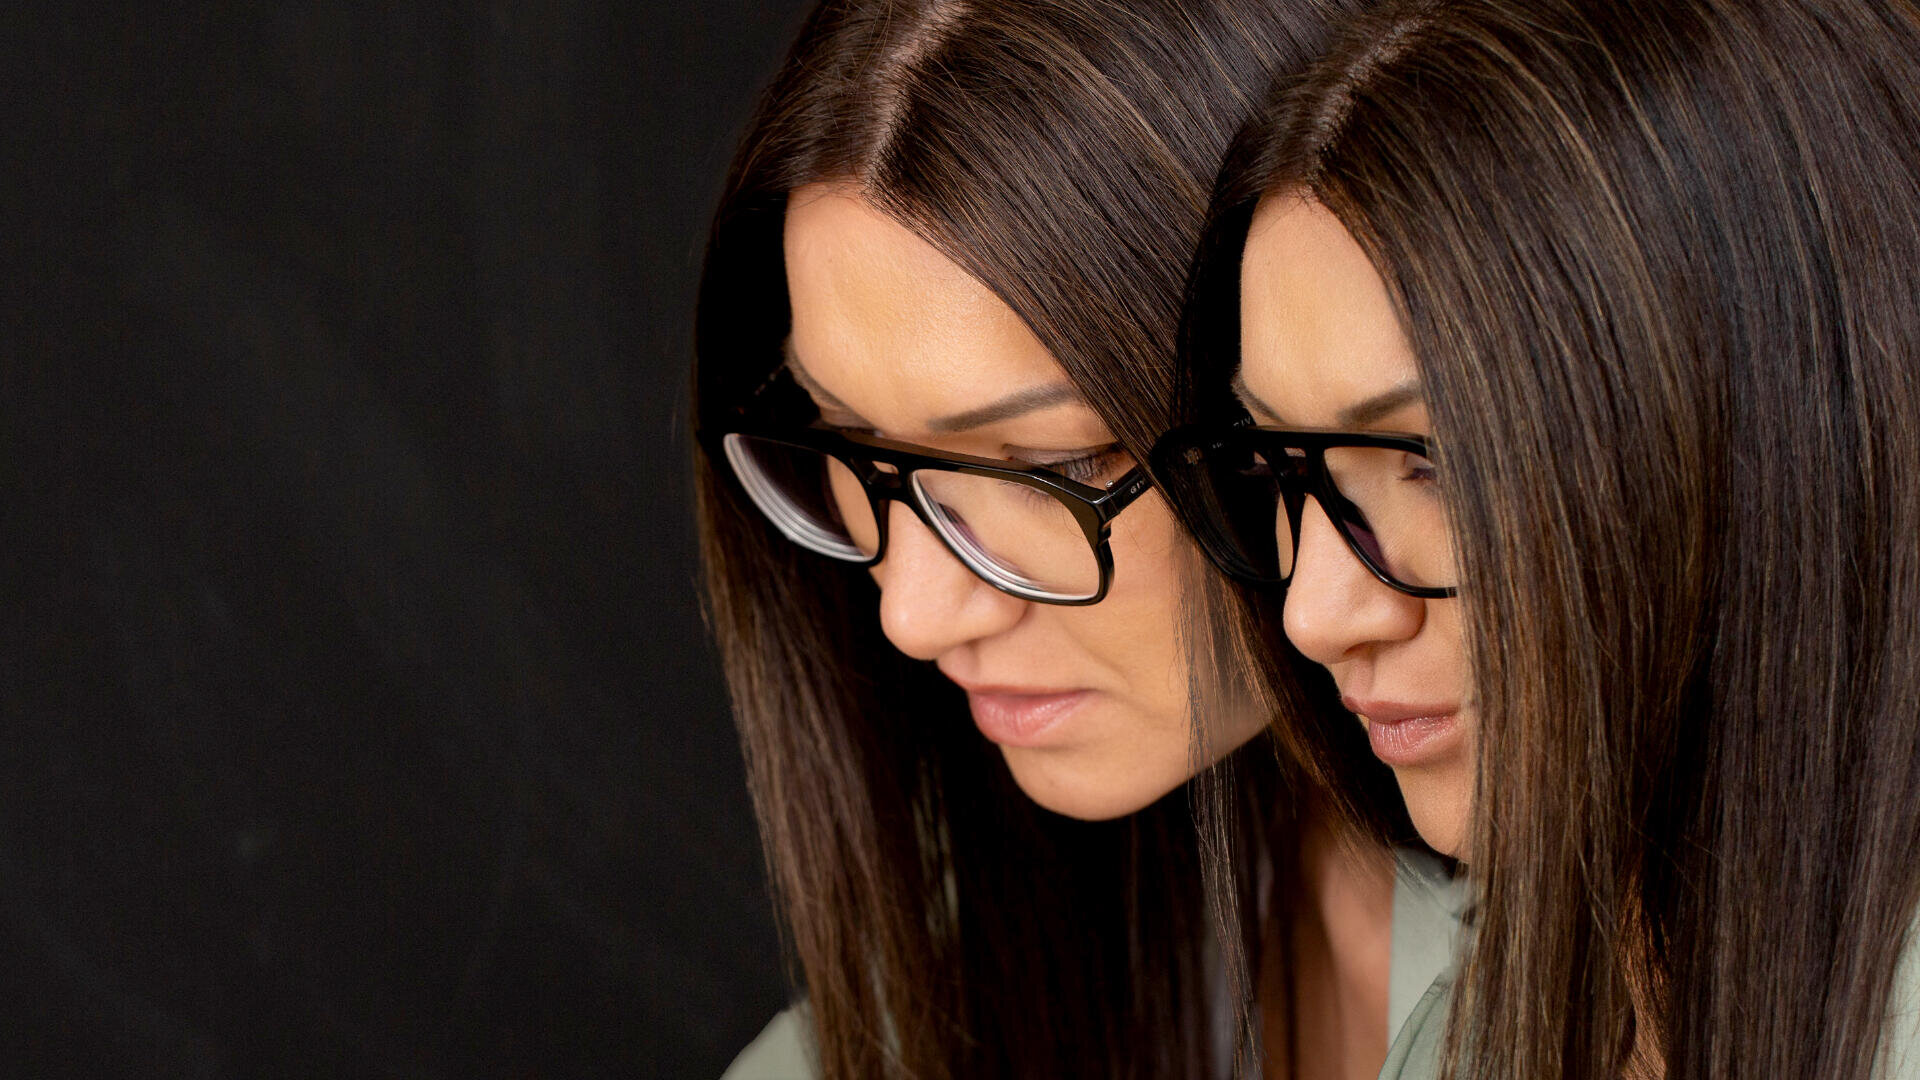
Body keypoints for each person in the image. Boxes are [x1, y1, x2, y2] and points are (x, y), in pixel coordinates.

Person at [692, 0, 1467, 1076]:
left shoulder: (1684, 988)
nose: (910, 613)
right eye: (846, 440)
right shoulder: (1001, 951)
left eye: (1049, 470)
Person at [1152, 0, 1920, 1075]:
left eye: (1438, 462)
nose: (1310, 613)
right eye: (1280, 469)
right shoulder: (1485, 1015)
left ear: (1776, 433)